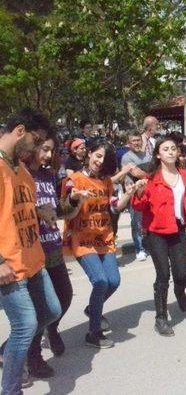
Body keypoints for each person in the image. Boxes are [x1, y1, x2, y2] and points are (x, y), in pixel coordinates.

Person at [0, 108, 62, 393]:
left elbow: (15, 205)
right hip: (10, 265)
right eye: (37, 142)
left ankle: (10, 351)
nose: (39, 150)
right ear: (20, 131)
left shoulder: (20, 167)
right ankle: (11, 389)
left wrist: (40, 210)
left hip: (33, 257)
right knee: (25, 325)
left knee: (51, 311)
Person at [62, 139, 136, 348]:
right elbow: (65, 211)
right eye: (98, 155)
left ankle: (93, 309)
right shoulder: (73, 180)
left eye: (105, 159)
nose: (100, 161)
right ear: (89, 154)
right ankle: (94, 333)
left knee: (113, 281)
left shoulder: (106, 182)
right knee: (101, 282)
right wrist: (75, 199)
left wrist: (129, 195)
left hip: (104, 238)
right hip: (82, 240)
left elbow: (113, 207)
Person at [18, 135, 78, 378]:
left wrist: (71, 201)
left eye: (51, 151)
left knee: (65, 296)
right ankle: (33, 358)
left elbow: (57, 209)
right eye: (44, 149)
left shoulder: (48, 175)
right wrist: (37, 212)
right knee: (40, 308)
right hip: (33, 251)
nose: (47, 156)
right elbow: (17, 211)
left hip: (53, 246)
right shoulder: (19, 175)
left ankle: (51, 330)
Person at [132, 136, 186, 336]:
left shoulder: (184, 175)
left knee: (181, 274)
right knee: (163, 275)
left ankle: (179, 290)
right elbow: (138, 206)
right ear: (158, 155)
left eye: (173, 148)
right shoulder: (151, 178)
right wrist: (139, 192)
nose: (170, 151)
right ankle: (161, 318)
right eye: (165, 149)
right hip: (156, 232)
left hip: (177, 229)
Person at [120, 131, 151, 261]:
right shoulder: (127, 158)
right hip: (134, 194)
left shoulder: (147, 155)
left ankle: (148, 246)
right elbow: (137, 173)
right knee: (136, 223)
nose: (137, 143)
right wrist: (147, 174)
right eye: (134, 141)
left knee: (148, 221)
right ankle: (139, 249)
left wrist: (146, 173)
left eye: (139, 140)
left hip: (149, 193)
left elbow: (152, 171)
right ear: (129, 143)